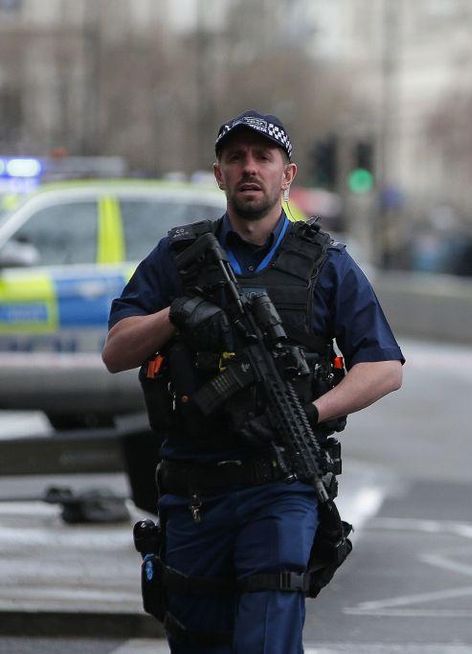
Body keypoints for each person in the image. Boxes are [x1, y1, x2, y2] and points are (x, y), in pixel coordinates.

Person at [102, 109, 404, 652]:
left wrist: (312, 413)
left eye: (263, 158)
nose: (249, 168)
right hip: (195, 489)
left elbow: (384, 367)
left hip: (281, 485)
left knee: (267, 636)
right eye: (235, 158)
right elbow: (116, 350)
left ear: (287, 175)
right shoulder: (179, 257)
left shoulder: (325, 264)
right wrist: (177, 313)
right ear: (218, 174)